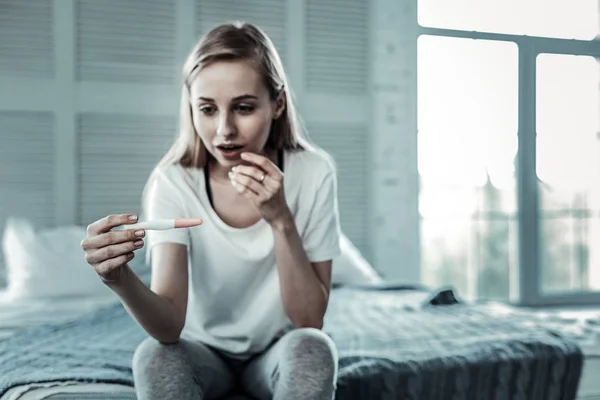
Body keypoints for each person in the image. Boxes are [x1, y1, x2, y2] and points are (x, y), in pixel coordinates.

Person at [80, 21, 341, 400]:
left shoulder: (314, 172)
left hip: (278, 350)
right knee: (154, 355)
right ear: (192, 107)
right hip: (203, 353)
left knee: (314, 349)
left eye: (244, 108)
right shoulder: (172, 182)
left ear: (278, 103)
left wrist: (281, 218)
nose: (224, 131)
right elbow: (169, 327)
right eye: (207, 109)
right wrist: (117, 279)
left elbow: (309, 320)